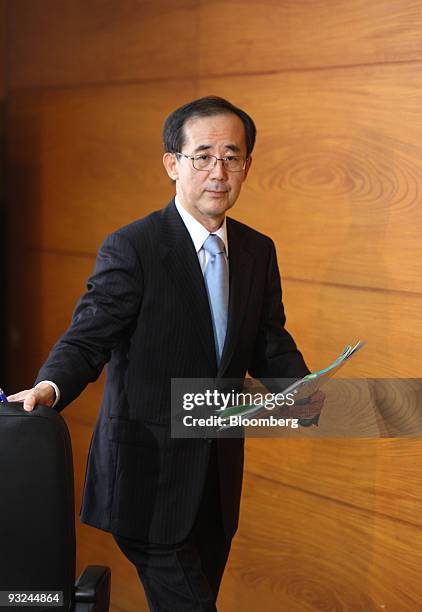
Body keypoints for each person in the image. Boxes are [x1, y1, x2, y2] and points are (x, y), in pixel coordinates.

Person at [8, 96, 323, 611]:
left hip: (217, 481)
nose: (218, 171)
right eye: (203, 155)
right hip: (148, 480)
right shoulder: (133, 246)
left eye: (231, 156)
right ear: (172, 164)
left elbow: (267, 338)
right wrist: (49, 386)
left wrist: (306, 389)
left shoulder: (257, 249)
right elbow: (90, 335)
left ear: (247, 165)